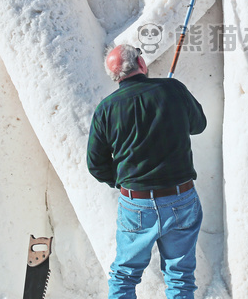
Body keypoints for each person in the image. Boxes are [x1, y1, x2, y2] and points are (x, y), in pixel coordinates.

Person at [87, 44, 207, 299]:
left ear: (115, 76)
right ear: (141, 63)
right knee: (180, 277)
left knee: (124, 276)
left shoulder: (106, 109)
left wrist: (123, 183)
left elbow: (96, 165)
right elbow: (199, 125)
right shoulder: (173, 90)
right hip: (180, 198)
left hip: (136, 203)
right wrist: (173, 104)